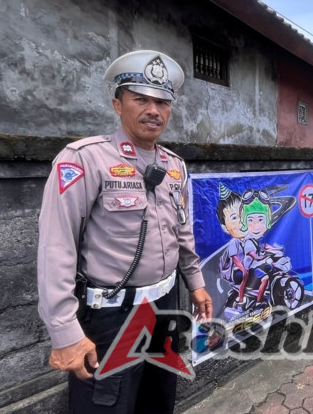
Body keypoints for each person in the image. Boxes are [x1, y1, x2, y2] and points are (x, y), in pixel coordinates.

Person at [37, 50, 213, 413]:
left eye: (163, 102)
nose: (154, 110)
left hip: (164, 308)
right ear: (118, 104)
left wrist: (195, 284)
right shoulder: (85, 159)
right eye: (141, 99)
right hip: (111, 317)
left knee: (158, 400)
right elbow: (56, 248)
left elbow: (182, 232)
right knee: (107, 406)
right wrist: (65, 332)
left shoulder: (174, 166)